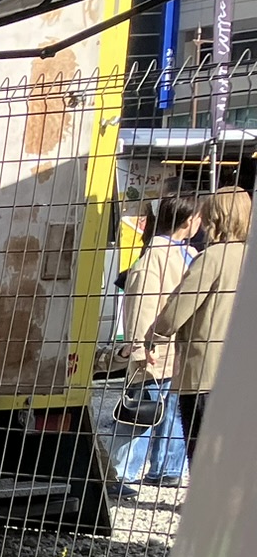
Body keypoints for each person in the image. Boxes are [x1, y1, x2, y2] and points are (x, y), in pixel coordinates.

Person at [147, 184, 250, 451]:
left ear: (215, 217)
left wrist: (154, 335)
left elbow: (178, 308)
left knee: (204, 454)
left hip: (207, 372)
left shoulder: (213, 257)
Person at [113, 192, 200, 491]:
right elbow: (140, 306)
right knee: (144, 413)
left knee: (163, 411)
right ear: (188, 222)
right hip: (157, 351)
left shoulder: (177, 255)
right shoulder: (158, 260)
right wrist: (138, 347)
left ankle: (165, 468)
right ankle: (126, 471)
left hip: (166, 351)